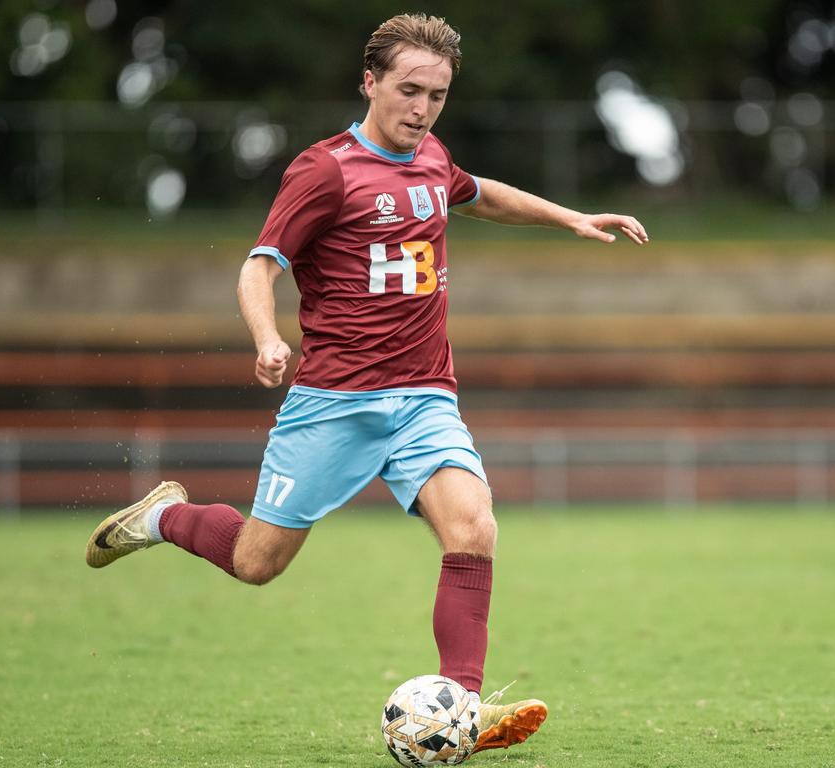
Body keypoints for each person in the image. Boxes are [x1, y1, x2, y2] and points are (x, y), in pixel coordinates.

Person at [86, 12, 648, 756]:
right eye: (409, 90)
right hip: (334, 404)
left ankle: (463, 710)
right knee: (256, 563)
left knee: (474, 528)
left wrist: (570, 217)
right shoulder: (326, 170)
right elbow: (260, 264)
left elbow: (482, 194)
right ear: (370, 83)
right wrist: (266, 337)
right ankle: (164, 517)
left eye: (437, 95)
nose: (421, 109)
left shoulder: (432, 157)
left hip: (423, 398)